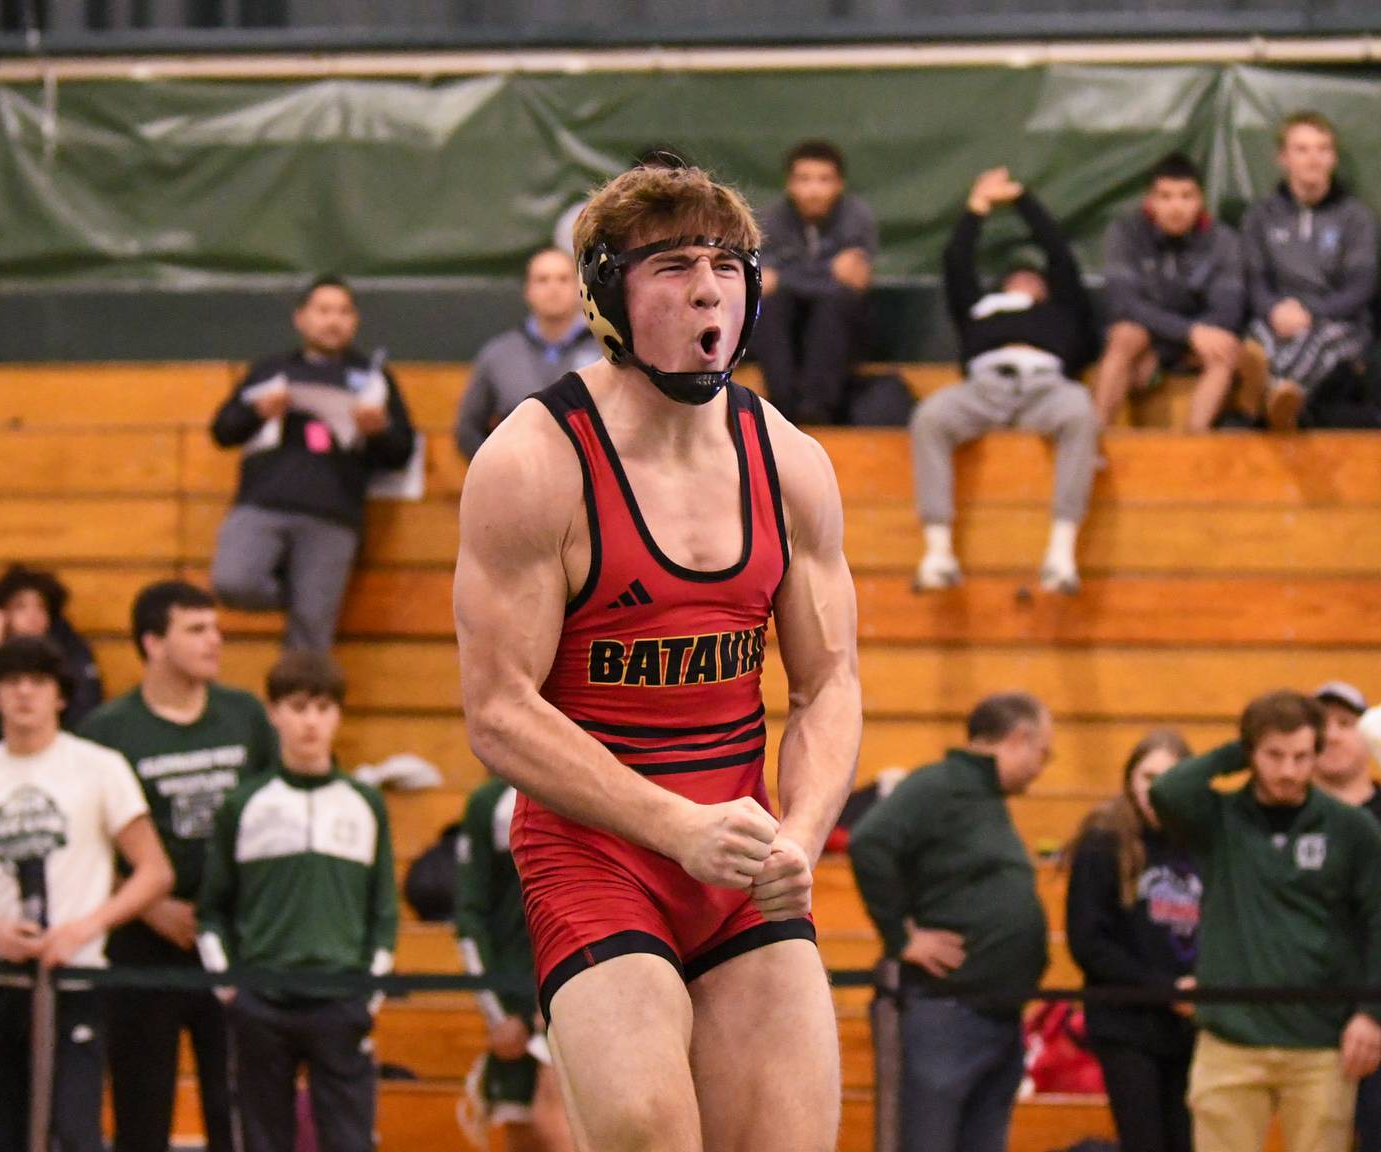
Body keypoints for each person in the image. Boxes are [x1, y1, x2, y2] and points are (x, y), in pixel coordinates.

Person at [455, 160, 861, 1152]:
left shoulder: (791, 461)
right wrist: (672, 825)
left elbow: (829, 683)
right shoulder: (534, 460)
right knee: (647, 1135)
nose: (709, 288)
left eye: (727, 265)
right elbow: (499, 709)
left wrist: (801, 835)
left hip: (738, 855)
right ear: (606, 296)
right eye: (673, 266)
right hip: (598, 854)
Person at [0, 636, 173, 1152]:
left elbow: (154, 872)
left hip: (75, 983)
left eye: (38, 682)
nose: (25, 693)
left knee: (75, 1131)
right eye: (12, 682)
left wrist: (83, 928)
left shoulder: (100, 767)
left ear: (61, 696)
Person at [78, 580, 278, 1152]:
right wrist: (149, 905)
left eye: (215, 627)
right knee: (142, 1110)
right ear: (152, 642)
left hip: (236, 938)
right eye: (196, 629)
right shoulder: (106, 733)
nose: (215, 640)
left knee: (235, 1109)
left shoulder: (245, 716)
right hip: (143, 945)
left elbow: (273, 814)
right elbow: (84, 847)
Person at [1149, 691, 1381, 1152]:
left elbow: (1379, 923)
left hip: (1320, 1043)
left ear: (1317, 754)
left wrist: (1371, 1014)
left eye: (1301, 756)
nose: (1289, 771)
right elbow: (1166, 790)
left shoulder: (1352, 829)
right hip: (1229, 1039)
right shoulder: (1216, 819)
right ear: (1251, 754)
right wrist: (1240, 747)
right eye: (1274, 755)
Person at [197, 650, 397, 1152]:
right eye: (299, 706)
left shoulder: (366, 803)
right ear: (273, 712)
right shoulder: (243, 805)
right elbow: (211, 912)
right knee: (263, 1140)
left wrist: (366, 996)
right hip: (260, 1004)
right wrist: (231, 990)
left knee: (351, 1141)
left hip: (341, 1002)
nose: (311, 721)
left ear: (338, 715)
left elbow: (384, 912)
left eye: (324, 707)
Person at [848, 692, 1051, 1152]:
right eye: (1043, 752)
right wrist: (900, 937)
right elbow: (869, 842)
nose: (1043, 767)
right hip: (946, 1013)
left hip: (996, 1016)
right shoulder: (940, 783)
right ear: (1020, 737)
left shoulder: (984, 797)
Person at [911, 168, 1099, 593]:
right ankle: (938, 551)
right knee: (931, 416)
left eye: (1036, 276)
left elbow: (1060, 255)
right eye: (1017, 274)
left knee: (1081, 411)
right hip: (984, 387)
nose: (1026, 279)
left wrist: (1023, 200)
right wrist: (978, 206)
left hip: (1046, 388)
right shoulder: (981, 308)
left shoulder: (1061, 309)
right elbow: (956, 261)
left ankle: (1061, 554)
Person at [209, 274, 416, 650]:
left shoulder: (373, 377)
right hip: (262, 503)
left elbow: (402, 452)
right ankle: (306, 599)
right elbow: (222, 432)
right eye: (323, 310)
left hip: (332, 515)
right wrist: (256, 410)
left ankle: (310, 619)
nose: (333, 320)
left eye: (343, 311)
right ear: (300, 317)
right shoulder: (270, 369)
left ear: (355, 321)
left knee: (310, 641)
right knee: (233, 582)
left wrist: (379, 428)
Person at [1065, 728, 1201, 1152]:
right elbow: (1088, 942)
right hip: (1127, 1023)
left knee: (1187, 1140)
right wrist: (1164, 989)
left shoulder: (1203, 841)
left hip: (1192, 1022)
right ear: (1129, 779)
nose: (1156, 789)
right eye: (1147, 776)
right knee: (1144, 1141)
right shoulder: (1104, 840)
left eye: (1171, 777)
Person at [455, 777, 574, 1152]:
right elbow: (470, 919)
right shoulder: (489, 804)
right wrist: (497, 1013)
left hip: (576, 988)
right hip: (516, 997)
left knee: (555, 1118)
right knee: (524, 1133)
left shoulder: (586, 787)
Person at [1242, 111, 1378, 432]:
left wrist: (1309, 312)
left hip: (1340, 324)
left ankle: (1273, 394)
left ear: (1333, 158)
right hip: (1277, 319)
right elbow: (1255, 281)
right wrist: (1274, 310)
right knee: (1260, 342)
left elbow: (1361, 288)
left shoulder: (1356, 217)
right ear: (1283, 158)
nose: (1313, 159)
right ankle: (1280, 401)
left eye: (1322, 149)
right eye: (1302, 149)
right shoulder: (1260, 216)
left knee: (1315, 343)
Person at [1093, 153, 1245, 432]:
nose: (1176, 207)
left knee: (1224, 350)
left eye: (1187, 196)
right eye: (1165, 197)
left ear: (1201, 201)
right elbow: (1124, 302)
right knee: (1125, 335)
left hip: (1195, 342)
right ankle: (1097, 439)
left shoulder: (1223, 240)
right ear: (1149, 201)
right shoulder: (1125, 232)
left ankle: (1192, 446)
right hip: (1148, 335)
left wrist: (1168, 349)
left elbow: (1228, 311)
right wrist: (1181, 336)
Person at [752, 139, 878, 425]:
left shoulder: (857, 217)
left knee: (835, 302)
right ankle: (782, 411)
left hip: (844, 337)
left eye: (824, 180)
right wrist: (826, 271)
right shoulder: (770, 219)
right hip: (788, 326)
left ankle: (816, 412)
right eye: (803, 179)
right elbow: (765, 283)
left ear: (840, 184)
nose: (813, 190)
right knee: (769, 306)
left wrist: (788, 275)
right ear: (789, 184)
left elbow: (852, 281)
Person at [1310, 681, 1381, 1152]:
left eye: (1345, 724)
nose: (1332, 736)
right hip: (1309, 1017)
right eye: (1320, 725)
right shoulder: (1285, 817)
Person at [456, 247, 600, 460]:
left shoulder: (605, 351)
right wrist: (497, 469)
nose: (553, 288)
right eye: (542, 280)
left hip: (594, 481)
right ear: (528, 290)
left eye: (563, 279)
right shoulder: (498, 354)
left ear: (580, 287)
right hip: (518, 480)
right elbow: (467, 430)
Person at [0, 564, 104, 732]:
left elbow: (86, 709)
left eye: (41, 606)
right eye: (21, 607)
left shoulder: (69, 650)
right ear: (3, 615)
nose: (33, 615)